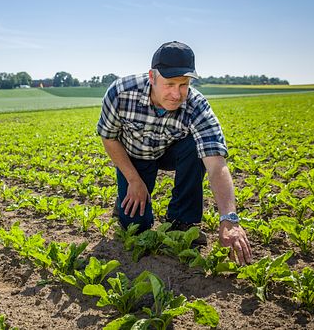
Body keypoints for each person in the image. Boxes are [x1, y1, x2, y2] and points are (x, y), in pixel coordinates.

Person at [97, 41, 252, 265]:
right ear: (152, 77)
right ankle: (123, 201)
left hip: (170, 151)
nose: (176, 94)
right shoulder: (120, 94)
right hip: (135, 154)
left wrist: (229, 218)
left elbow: (216, 163)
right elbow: (108, 137)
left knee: (196, 146)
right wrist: (133, 180)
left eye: (183, 84)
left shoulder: (197, 105)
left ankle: (182, 220)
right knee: (135, 225)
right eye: (169, 84)